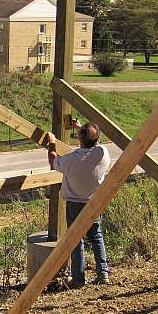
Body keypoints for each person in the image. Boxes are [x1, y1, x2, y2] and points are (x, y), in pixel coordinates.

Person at [47, 121, 111, 287]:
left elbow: (53, 161)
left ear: (80, 139)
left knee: (76, 240)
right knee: (96, 236)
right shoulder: (102, 154)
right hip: (93, 203)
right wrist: (81, 129)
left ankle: (78, 279)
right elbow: (94, 145)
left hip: (75, 204)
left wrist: (52, 142)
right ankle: (103, 273)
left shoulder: (70, 160)